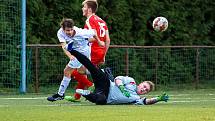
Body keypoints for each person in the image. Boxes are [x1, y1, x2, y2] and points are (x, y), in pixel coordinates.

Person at [66, 48, 169, 105]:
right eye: (144, 86)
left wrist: (158, 99)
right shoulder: (131, 81)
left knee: (100, 100)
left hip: (106, 97)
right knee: (92, 67)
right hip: (106, 84)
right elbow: (117, 79)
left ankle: (86, 93)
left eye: (146, 90)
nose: (144, 89)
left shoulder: (136, 99)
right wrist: (122, 88)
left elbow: (147, 101)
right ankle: (73, 50)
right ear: (141, 83)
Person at [65, 0, 111, 102]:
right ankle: (77, 97)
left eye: (84, 7)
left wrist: (79, 40)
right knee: (83, 72)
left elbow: (94, 36)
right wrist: (104, 55)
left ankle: (92, 85)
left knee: (74, 71)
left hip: (92, 51)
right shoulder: (102, 21)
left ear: (89, 9)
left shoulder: (89, 20)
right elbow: (107, 39)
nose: (82, 9)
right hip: (100, 51)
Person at [47, 18, 101, 102]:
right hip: (76, 52)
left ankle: (60, 94)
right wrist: (70, 55)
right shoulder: (60, 32)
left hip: (83, 53)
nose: (70, 32)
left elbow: (94, 31)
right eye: (67, 30)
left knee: (67, 71)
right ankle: (101, 73)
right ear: (63, 28)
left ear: (73, 27)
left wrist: (99, 41)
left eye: (71, 29)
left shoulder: (80, 32)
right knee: (81, 71)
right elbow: (64, 45)